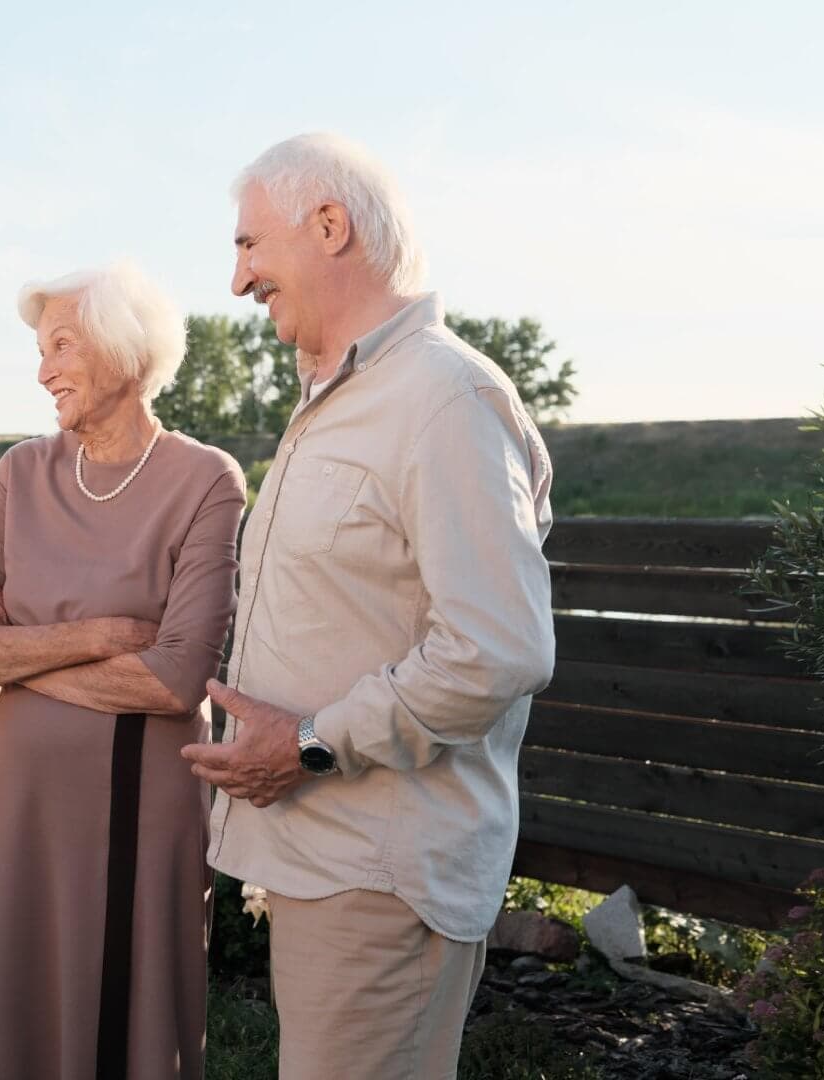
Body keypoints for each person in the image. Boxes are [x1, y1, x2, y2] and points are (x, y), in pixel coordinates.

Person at [180, 133, 556, 1079]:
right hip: (330, 865)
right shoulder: (341, 397)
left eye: (248, 246)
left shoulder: (444, 397)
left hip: (382, 877)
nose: (238, 280)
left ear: (330, 225)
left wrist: (309, 742)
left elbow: (496, 651)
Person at [0, 261, 246, 1080]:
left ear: (125, 349)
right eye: (40, 350)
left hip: (142, 802)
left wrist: (18, 650)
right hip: (20, 802)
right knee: (21, 1014)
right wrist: (103, 633)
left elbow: (173, 680)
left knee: (136, 1025)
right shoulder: (19, 475)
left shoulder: (205, 479)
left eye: (61, 345)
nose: (43, 372)